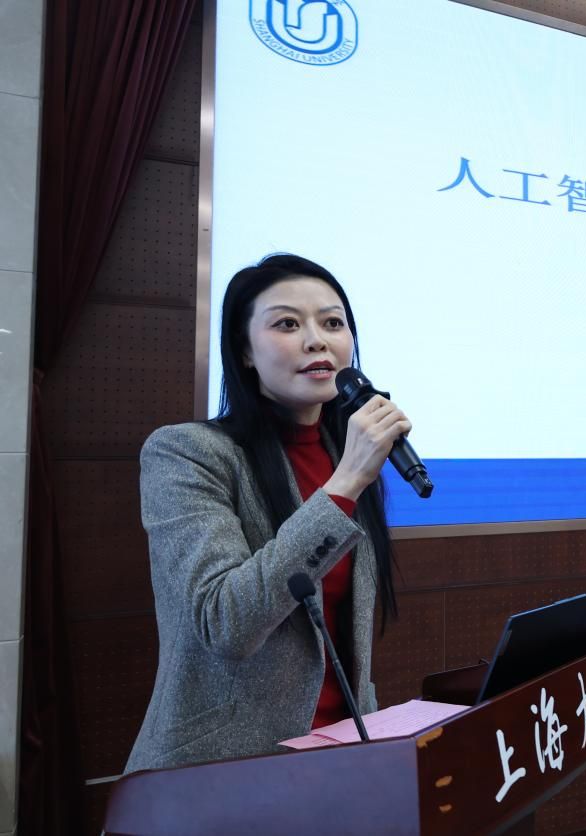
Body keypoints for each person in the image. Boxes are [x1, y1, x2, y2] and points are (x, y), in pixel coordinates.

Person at [125, 254, 411, 772]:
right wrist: (346, 482)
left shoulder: (344, 452)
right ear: (245, 351)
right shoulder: (186, 453)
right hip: (225, 769)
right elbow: (226, 623)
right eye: (287, 324)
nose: (317, 341)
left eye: (333, 323)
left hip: (341, 761)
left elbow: (344, 643)